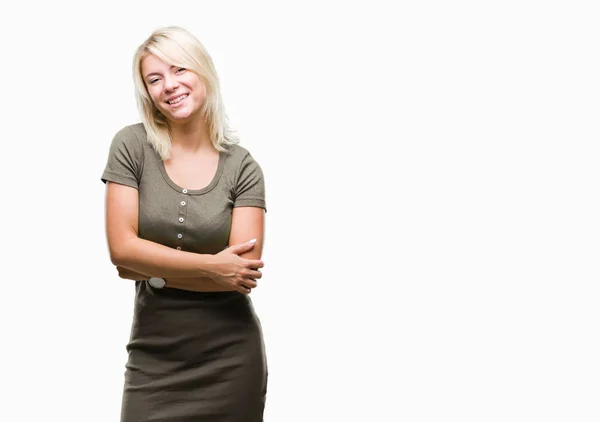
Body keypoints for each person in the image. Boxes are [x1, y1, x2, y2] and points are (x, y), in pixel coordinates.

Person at [101, 25, 268, 421]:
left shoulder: (243, 168)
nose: (169, 86)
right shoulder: (131, 146)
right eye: (154, 79)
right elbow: (121, 252)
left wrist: (151, 270)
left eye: (179, 70)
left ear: (202, 71)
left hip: (230, 361)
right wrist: (212, 267)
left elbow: (241, 274)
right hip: (152, 357)